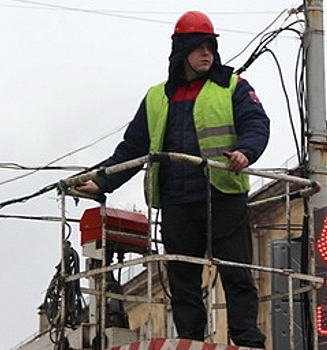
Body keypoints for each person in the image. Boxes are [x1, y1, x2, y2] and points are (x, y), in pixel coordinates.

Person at [76, 10, 268, 348]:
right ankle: (191, 341)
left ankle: (247, 341)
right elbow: (132, 149)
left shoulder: (233, 86)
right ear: (182, 52)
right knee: (182, 277)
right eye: (198, 47)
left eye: (210, 46)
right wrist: (102, 182)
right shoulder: (156, 97)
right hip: (177, 200)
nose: (206, 53)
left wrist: (246, 152)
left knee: (236, 272)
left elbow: (256, 124)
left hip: (221, 193)